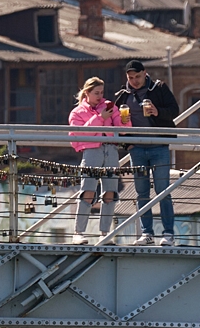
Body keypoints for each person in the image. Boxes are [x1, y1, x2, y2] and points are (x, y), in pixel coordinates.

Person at [113, 59, 180, 246]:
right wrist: (127, 145)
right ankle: (147, 234)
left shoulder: (158, 88)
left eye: (138, 76)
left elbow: (174, 110)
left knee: (163, 191)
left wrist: (158, 112)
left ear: (145, 73)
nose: (134, 81)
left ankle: (168, 234)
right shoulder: (123, 96)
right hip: (137, 149)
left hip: (159, 147)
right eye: (131, 77)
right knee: (142, 192)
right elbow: (116, 124)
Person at [69, 76, 129, 244]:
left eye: (102, 92)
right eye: (96, 93)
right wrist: (100, 117)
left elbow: (122, 130)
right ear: (87, 93)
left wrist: (125, 120)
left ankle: (105, 233)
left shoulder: (110, 106)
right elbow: (79, 134)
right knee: (87, 191)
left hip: (110, 150)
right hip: (91, 151)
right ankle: (78, 233)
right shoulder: (77, 112)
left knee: (110, 192)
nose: (100, 96)